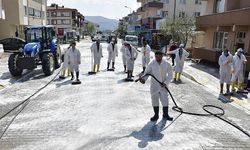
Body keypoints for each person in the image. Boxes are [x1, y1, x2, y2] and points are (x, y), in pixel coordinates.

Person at [139, 49, 173, 122]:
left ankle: (165, 114)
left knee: (165, 100)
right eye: (156, 57)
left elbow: (170, 75)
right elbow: (147, 73)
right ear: (155, 56)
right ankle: (156, 115)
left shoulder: (166, 64)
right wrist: (143, 79)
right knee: (155, 100)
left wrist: (166, 82)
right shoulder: (152, 63)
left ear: (162, 56)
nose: (157, 58)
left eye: (159, 57)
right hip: (154, 86)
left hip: (163, 85)